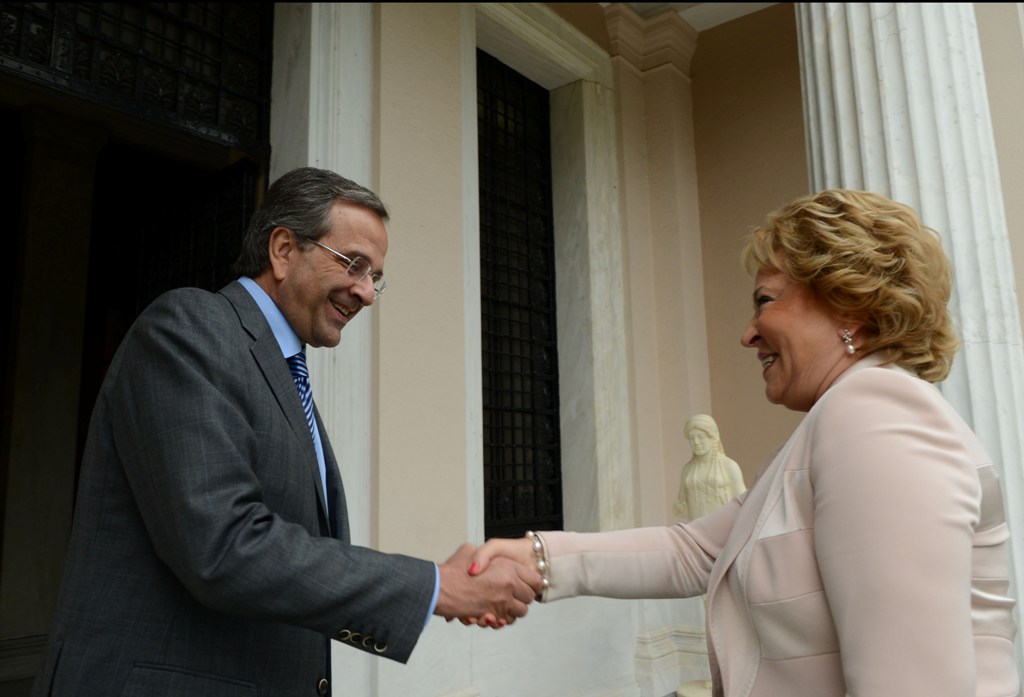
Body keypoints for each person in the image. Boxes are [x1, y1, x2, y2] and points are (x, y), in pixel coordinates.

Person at [469, 189, 1020, 697]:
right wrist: (534, 558)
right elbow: (696, 551)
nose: (748, 332)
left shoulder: (878, 416)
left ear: (849, 307)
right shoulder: (841, 420)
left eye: (765, 300)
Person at [32, 167, 541, 697]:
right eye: (354, 264)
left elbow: (294, 570)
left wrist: (445, 582)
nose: (368, 293)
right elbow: (224, 546)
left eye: (376, 276)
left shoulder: (283, 372)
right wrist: (436, 587)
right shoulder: (189, 327)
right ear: (282, 250)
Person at [672, 414, 745, 522]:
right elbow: (682, 503)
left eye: (701, 437)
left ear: (714, 438)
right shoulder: (688, 469)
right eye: (691, 438)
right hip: (695, 528)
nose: (696, 442)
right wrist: (679, 507)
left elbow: (743, 502)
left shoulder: (729, 466)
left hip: (724, 527)